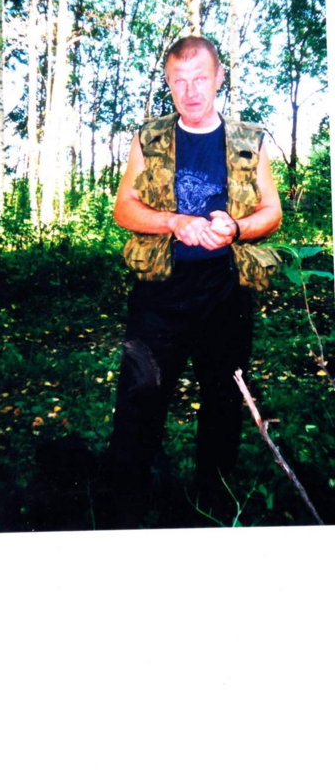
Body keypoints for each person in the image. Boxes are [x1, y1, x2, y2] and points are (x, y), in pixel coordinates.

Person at [106, 35, 282, 527]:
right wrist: (174, 222)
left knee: (223, 399)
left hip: (225, 289)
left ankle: (214, 500)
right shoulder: (150, 138)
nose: (191, 92)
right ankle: (125, 503)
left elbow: (272, 211)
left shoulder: (249, 140)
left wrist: (237, 228)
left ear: (219, 77)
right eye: (179, 81)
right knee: (140, 394)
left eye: (200, 79)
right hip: (159, 291)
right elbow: (124, 208)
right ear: (168, 83)